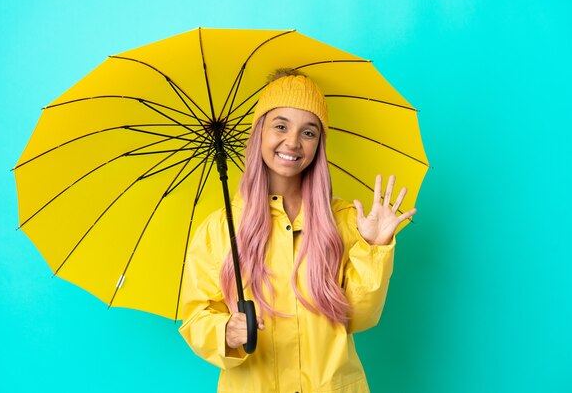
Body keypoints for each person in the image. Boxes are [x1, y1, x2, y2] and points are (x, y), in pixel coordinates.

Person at [178, 68, 417, 392]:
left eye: (309, 132)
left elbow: (359, 318)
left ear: (319, 143)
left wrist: (373, 248)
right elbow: (196, 316)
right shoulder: (221, 230)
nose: (292, 142)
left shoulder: (344, 220)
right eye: (280, 126)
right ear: (260, 132)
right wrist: (226, 332)